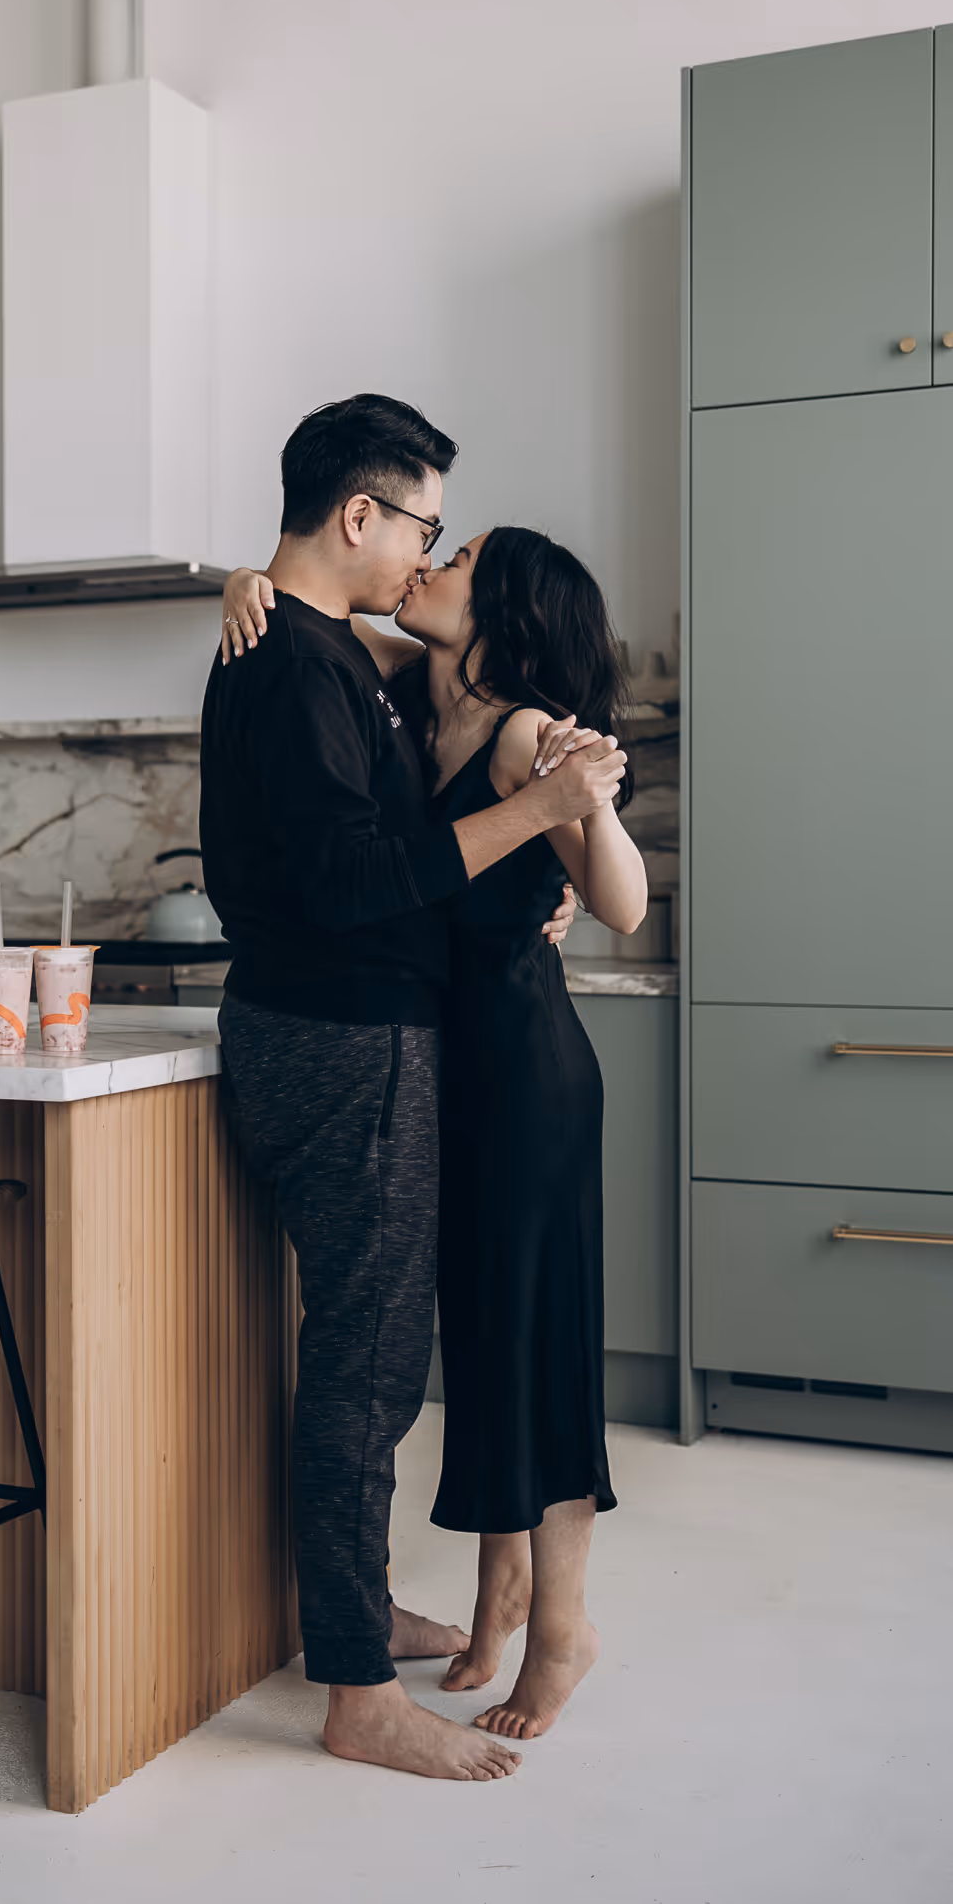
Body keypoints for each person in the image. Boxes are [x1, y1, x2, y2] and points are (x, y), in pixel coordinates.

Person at [200, 395, 627, 1782]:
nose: (426, 557)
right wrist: (541, 819)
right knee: (366, 1371)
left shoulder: (320, 649)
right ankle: (354, 1684)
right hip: (347, 1047)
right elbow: (352, 883)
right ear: (360, 515)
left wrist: (248, 577)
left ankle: (362, 1607)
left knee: (369, 1362)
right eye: (424, 527)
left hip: (344, 1037)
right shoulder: (301, 664)